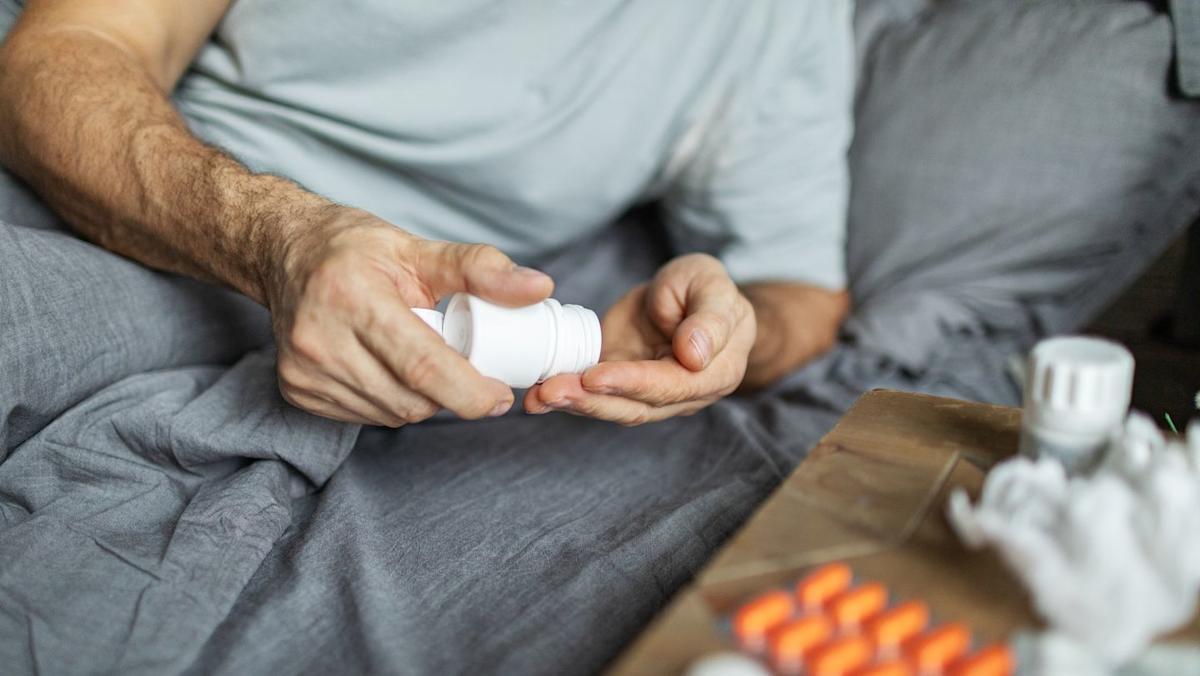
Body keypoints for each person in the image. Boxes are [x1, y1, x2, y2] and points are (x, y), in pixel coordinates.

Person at [0, 0, 854, 428]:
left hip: (394, 340)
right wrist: (279, 239)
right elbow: (67, 52)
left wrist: (717, 337)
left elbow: (800, 295)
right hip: (139, 186)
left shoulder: (775, 21)